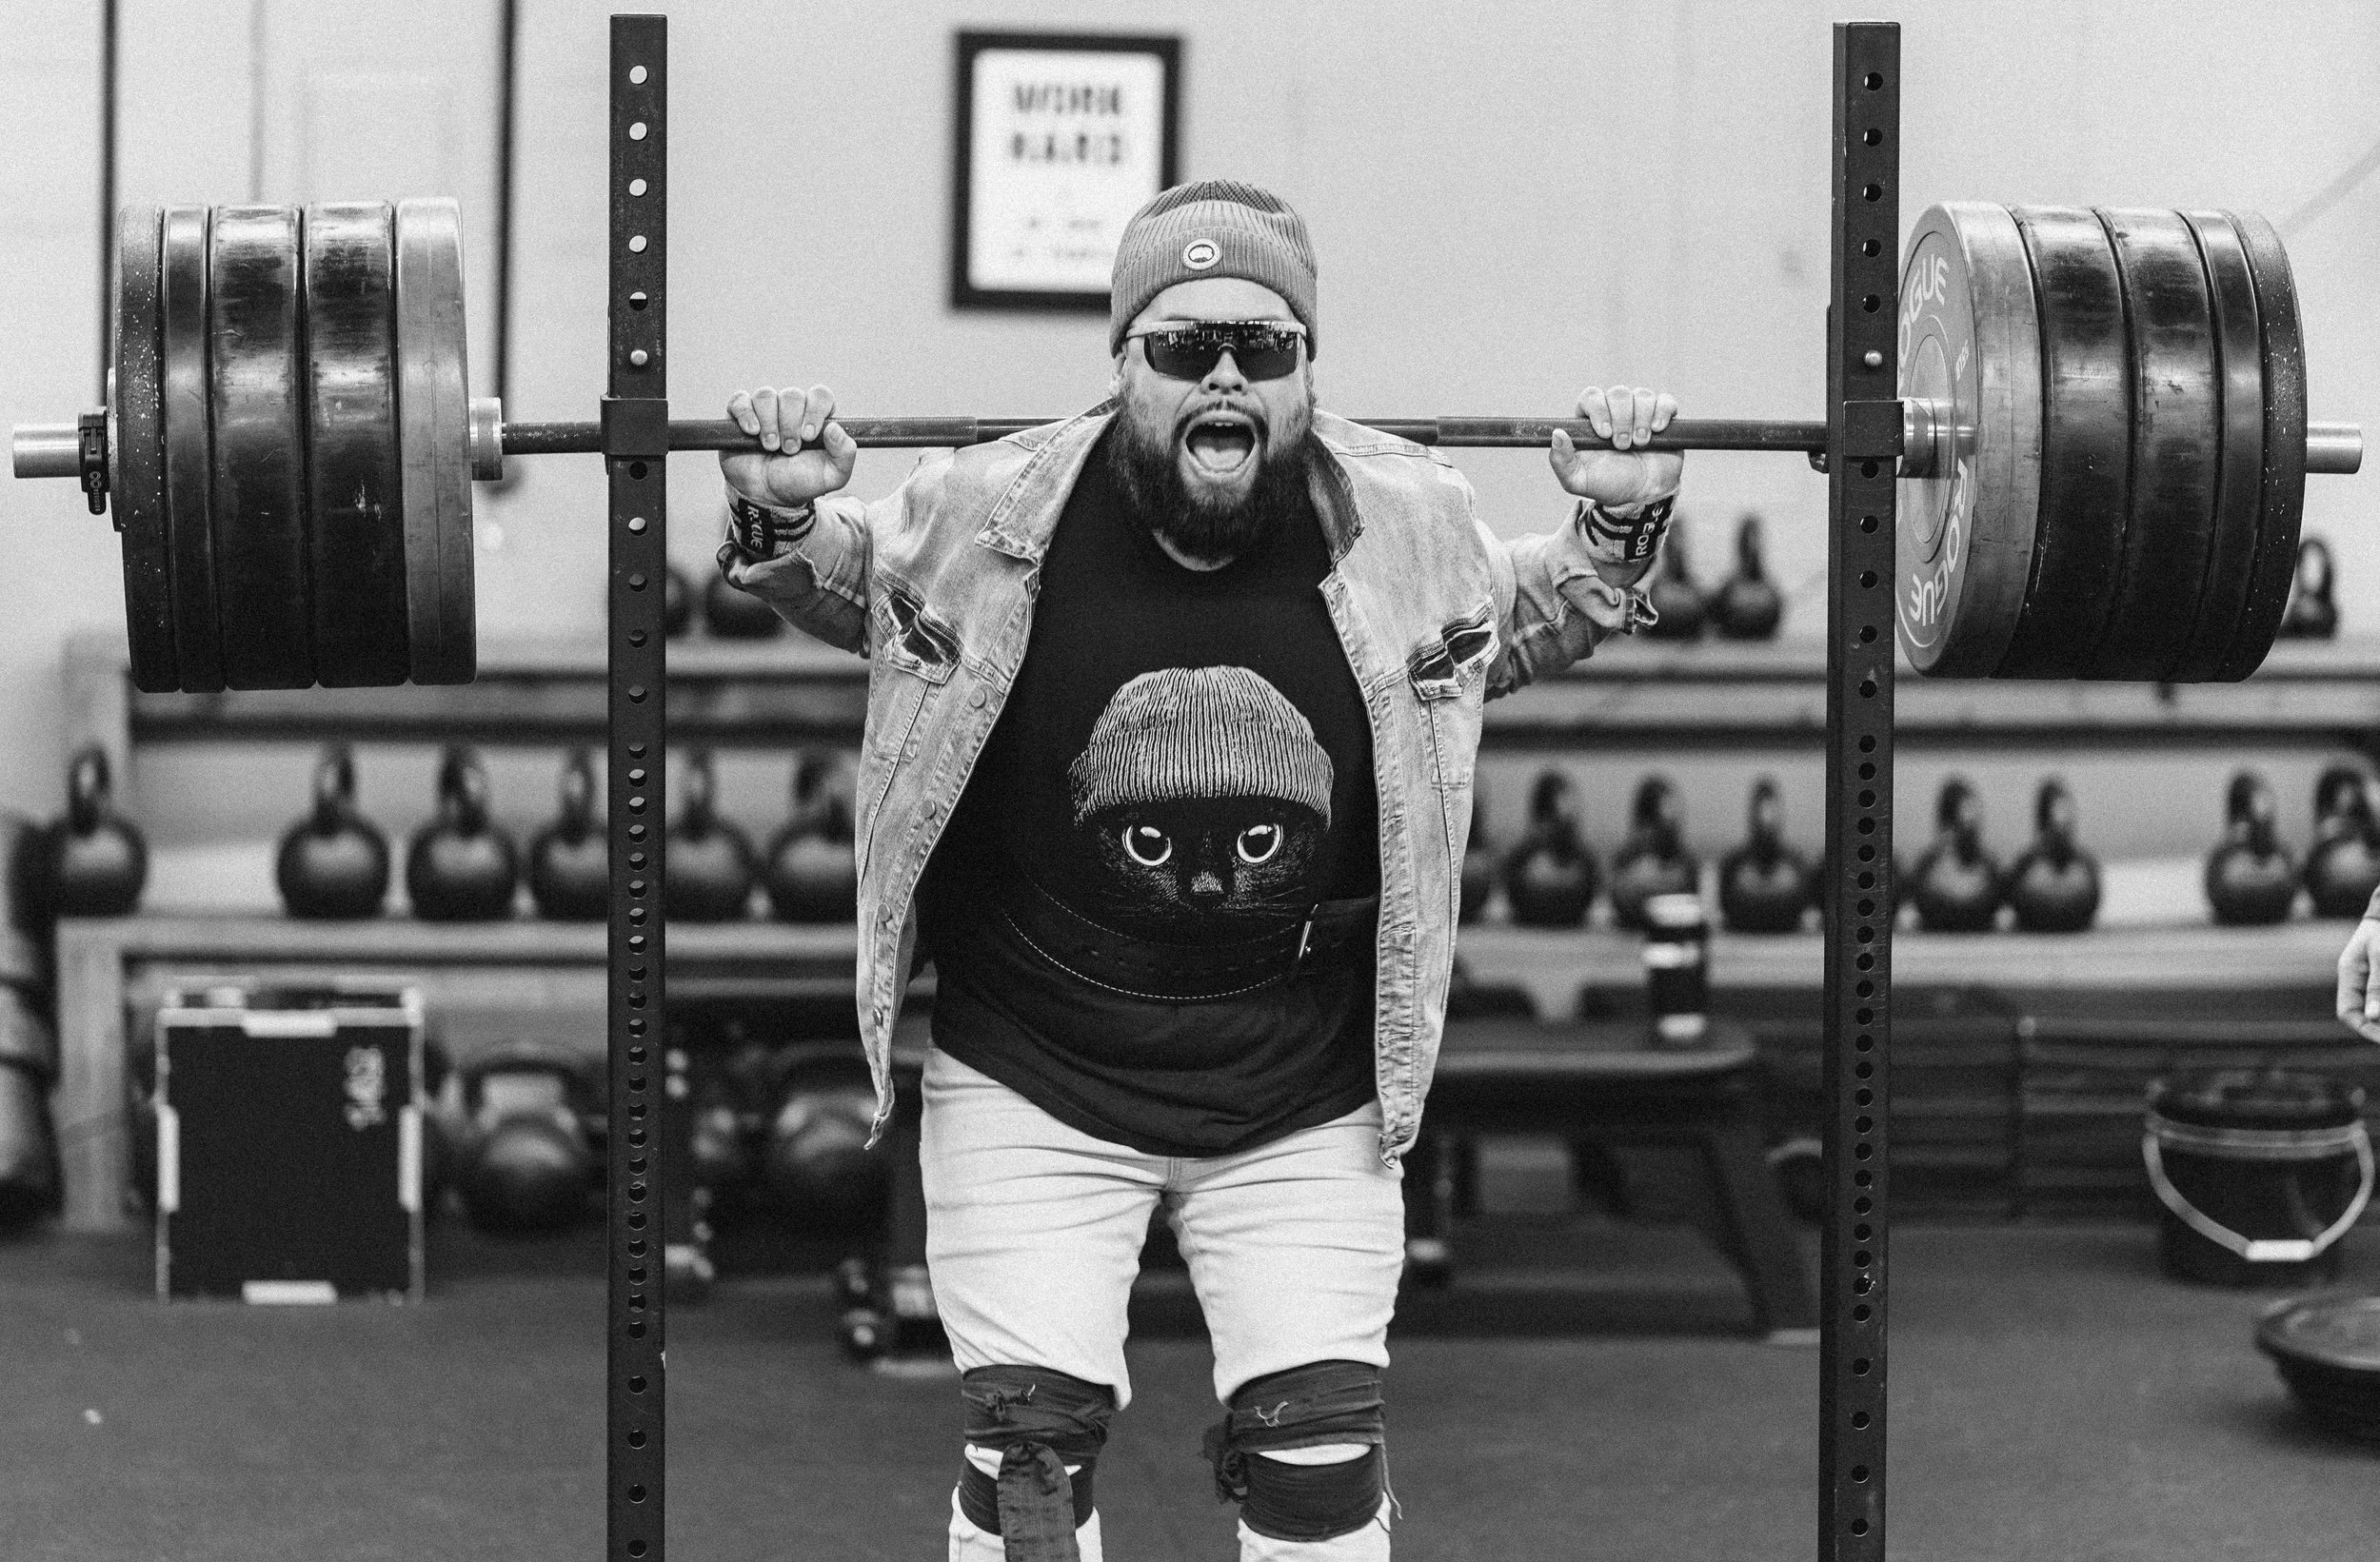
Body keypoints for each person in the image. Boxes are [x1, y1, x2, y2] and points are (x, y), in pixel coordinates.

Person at [717, 179, 1682, 1562]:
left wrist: (1617, 529)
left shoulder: (1406, 517)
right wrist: (779, 516)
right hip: (1036, 1069)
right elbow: (855, 587)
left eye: (1263, 347)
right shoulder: (991, 507)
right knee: (1027, 1475)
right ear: (1123, 364)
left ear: (1304, 370)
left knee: (1318, 1479)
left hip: (1301, 1084)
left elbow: (1517, 628)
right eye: (1181, 348)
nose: (1223, 374)